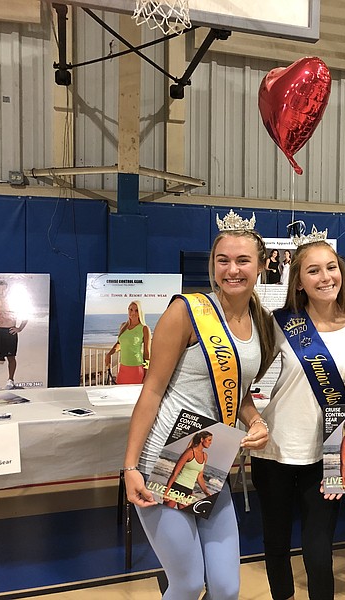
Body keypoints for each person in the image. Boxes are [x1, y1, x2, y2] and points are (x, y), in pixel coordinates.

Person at [123, 210, 276, 600]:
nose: (232, 270)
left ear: (261, 264)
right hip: (163, 458)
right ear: (212, 264)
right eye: (222, 260)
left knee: (226, 588)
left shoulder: (261, 321)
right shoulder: (187, 311)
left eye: (243, 260)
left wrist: (255, 420)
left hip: (211, 459)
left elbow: (238, 391)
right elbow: (151, 392)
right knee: (189, 583)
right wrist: (129, 468)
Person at [251, 239, 345, 600]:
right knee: (275, 543)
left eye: (331, 267)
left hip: (328, 454)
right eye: (314, 270)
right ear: (299, 281)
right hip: (274, 449)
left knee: (319, 550)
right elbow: (246, 377)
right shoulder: (278, 323)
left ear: (341, 273)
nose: (325, 277)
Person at [104, 300, 151, 384]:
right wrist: (109, 354)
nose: (133, 313)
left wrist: (146, 373)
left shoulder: (144, 328)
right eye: (131, 310)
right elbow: (119, 343)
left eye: (136, 310)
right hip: (123, 368)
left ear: (140, 312)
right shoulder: (123, 326)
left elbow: (147, 353)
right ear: (128, 310)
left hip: (137, 368)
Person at [163, 431, 213, 509]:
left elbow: (199, 476)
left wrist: (206, 492)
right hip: (177, 487)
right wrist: (166, 491)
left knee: (184, 516)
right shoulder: (189, 452)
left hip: (189, 490)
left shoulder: (205, 456)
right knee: (165, 512)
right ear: (202, 439)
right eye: (209, 440)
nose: (211, 443)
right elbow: (175, 472)